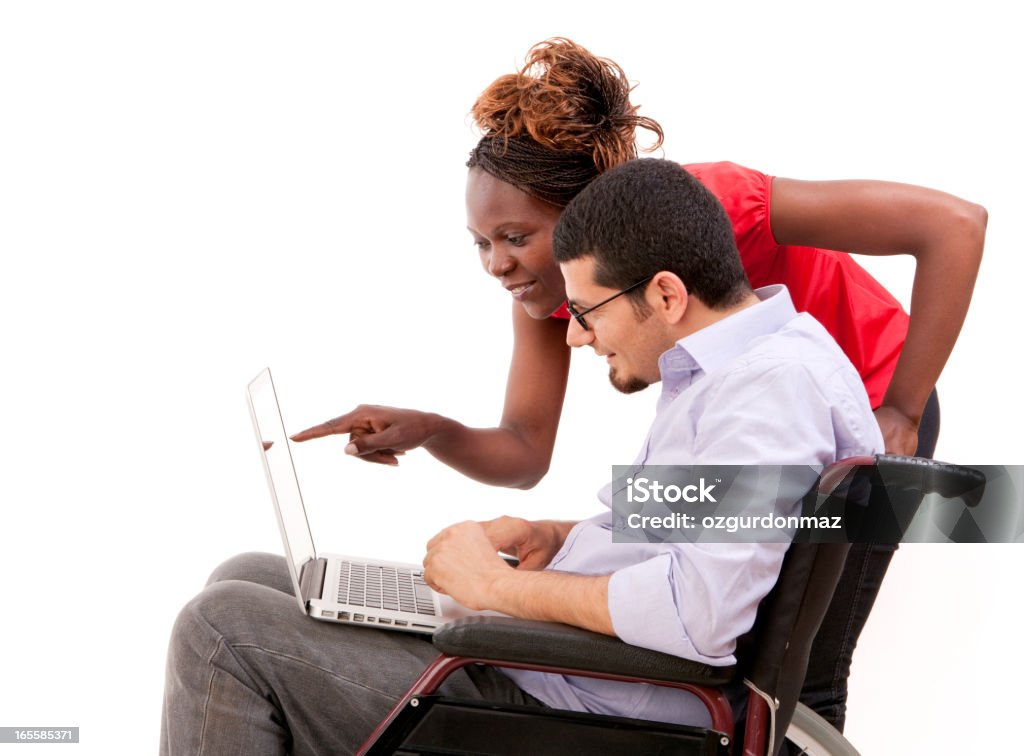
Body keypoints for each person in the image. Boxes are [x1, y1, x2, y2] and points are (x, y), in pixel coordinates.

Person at [291, 38, 987, 731]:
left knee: (798, 676)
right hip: (753, 421)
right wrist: (442, 436)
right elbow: (527, 451)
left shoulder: (702, 205)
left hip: (868, 388)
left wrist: (901, 406)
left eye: (514, 236)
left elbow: (953, 225)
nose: (497, 265)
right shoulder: (559, 286)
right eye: (482, 243)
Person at [161, 159, 883, 754]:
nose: (576, 338)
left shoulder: (766, 394)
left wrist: (496, 591)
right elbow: (715, 528)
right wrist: (560, 537)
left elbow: (699, 613)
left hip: (586, 708)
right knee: (249, 575)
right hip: (570, 668)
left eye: (589, 313)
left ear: (665, 294)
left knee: (221, 629)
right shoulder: (748, 364)